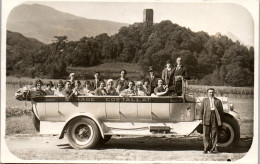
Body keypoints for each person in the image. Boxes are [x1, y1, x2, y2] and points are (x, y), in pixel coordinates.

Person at [200, 88, 224, 154]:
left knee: (214, 134)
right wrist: (201, 119)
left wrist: (221, 121)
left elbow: (221, 112)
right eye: (210, 92)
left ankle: (213, 149)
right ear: (207, 93)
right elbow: (201, 110)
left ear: (214, 93)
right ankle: (206, 149)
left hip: (215, 118)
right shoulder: (204, 100)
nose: (211, 93)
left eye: (212, 92)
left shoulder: (218, 101)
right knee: (206, 135)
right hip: (206, 117)